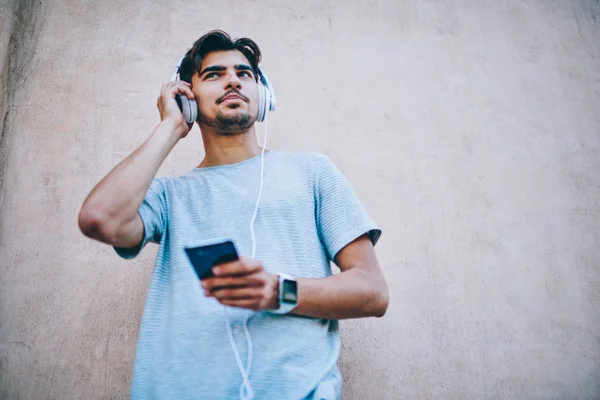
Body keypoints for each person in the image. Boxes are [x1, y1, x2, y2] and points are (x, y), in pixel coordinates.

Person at [78, 29, 389, 400]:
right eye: (214, 74)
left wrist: (278, 291)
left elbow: (372, 292)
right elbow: (99, 218)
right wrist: (170, 126)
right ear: (187, 98)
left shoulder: (313, 172)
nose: (232, 81)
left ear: (264, 95)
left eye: (245, 74)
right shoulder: (168, 196)